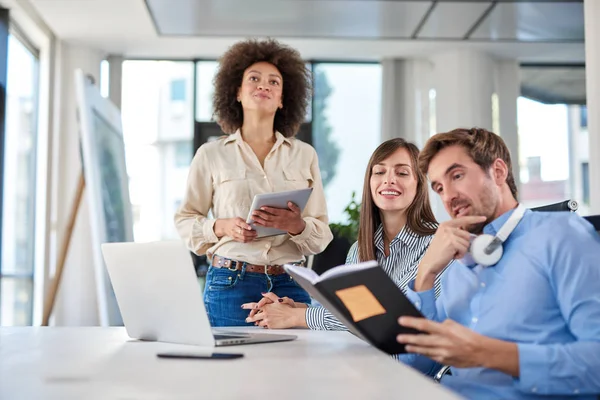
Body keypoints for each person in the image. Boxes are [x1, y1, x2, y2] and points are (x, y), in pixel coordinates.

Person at [396, 128, 600, 399]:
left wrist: (486, 353)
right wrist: (426, 272)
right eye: (439, 188)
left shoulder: (562, 236)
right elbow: (417, 365)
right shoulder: (455, 268)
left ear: (499, 172)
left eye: (457, 176)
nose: (448, 196)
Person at [174, 39, 333, 327]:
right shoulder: (210, 154)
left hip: (290, 285)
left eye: (274, 82)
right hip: (230, 282)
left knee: (293, 370)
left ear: (283, 99)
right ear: (236, 91)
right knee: (232, 370)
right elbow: (185, 221)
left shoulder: (305, 155)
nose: (264, 85)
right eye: (254, 78)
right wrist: (222, 226)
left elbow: (321, 234)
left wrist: (295, 225)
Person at [243, 138, 444, 330]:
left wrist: (295, 317)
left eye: (402, 173)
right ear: (370, 183)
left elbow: (391, 314)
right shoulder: (359, 249)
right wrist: (294, 308)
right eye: (380, 172)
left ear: (419, 184)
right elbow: (354, 310)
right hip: (366, 358)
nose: (389, 180)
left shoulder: (437, 243)